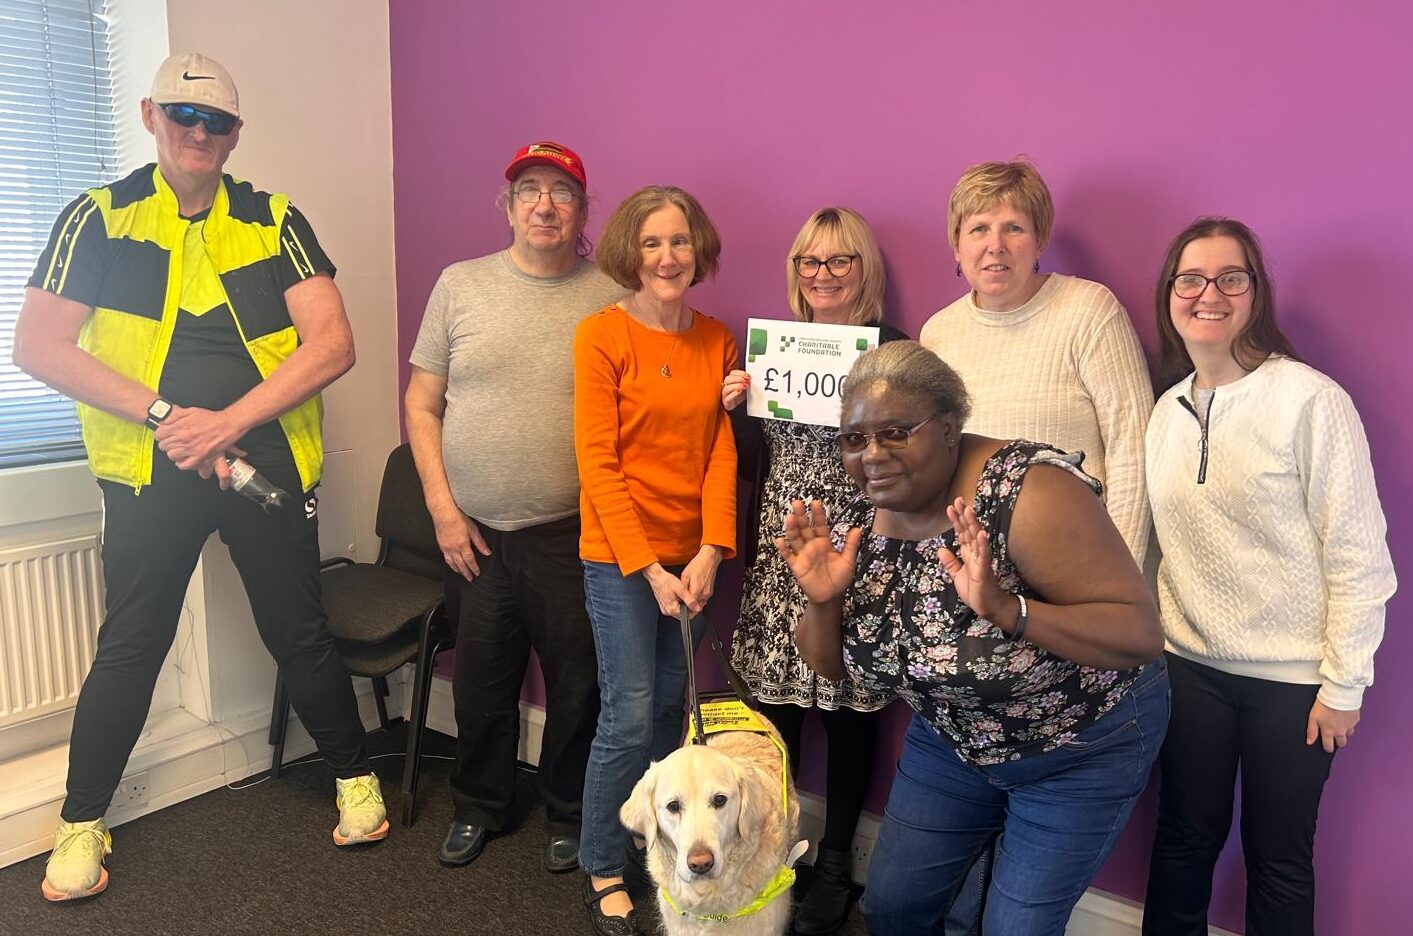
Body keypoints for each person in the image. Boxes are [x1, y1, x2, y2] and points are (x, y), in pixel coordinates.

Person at [13, 53, 385, 902]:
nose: (198, 132)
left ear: (235, 134)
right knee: (132, 644)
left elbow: (333, 344)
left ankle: (354, 778)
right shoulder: (98, 217)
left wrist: (228, 422)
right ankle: (81, 823)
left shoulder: (274, 219)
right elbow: (38, 347)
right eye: (182, 115)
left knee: (297, 629)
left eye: (215, 121)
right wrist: (165, 418)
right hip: (149, 467)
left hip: (264, 456)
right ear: (150, 115)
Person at [779, 341, 1168, 936]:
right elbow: (832, 669)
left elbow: (1139, 634)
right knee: (892, 909)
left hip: (1076, 743)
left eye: (895, 432)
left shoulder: (1027, 492)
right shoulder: (862, 507)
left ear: (948, 427)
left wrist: (1008, 610)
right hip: (954, 738)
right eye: (854, 439)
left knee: (1015, 928)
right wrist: (824, 600)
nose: (872, 455)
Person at [1141, 218, 1396, 936]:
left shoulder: (1309, 401)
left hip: (1294, 684)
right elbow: (1155, 550)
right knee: (1182, 841)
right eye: (1191, 279)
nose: (1208, 294)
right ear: (1169, 294)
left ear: (1255, 293)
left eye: (1231, 278)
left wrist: (1344, 685)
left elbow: (1358, 555)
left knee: (1278, 859)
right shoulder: (1165, 413)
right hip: (1188, 669)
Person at [920, 161, 1155, 933]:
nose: (995, 245)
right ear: (955, 245)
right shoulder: (939, 334)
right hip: (967, 599)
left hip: (1067, 600)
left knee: (1038, 789)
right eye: (978, 229)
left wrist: (1109, 592)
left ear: (1038, 237)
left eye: (1013, 227)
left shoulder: (1087, 311)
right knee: (969, 782)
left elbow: (1132, 449)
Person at [405, 142, 625, 874]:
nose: (544, 205)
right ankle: (479, 806)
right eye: (529, 190)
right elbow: (421, 403)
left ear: (583, 213)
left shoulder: (613, 298)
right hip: (473, 533)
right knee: (481, 685)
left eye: (562, 193)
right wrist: (442, 510)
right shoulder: (459, 285)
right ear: (507, 207)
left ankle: (568, 812)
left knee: (577, 686)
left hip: (573, 535)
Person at [720, 207, 905, 934]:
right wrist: (734, 409)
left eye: (838, 261)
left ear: (864, 270)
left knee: (849, 716)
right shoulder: (775, 348)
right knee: (779, 720)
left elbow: (909, 455)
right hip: (779, 552)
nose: (822, 275)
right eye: (809, 261)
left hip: (855, 553)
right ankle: (777, 853)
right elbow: (750, 459)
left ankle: (835, 866)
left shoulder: (891, 353)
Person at [574, 186, 738, 936]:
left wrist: (709, 552)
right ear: (629, 254)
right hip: (620, 559)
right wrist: (649, 570)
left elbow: (719, 453)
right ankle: (603, 861)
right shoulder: (600, 336)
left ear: (697, 250)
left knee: (673, 705)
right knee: (629, 711)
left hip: (693, 558)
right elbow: (598, 465)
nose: (667, 257)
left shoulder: (717, 340)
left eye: (678, 241)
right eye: (651, 243)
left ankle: (665, 845)